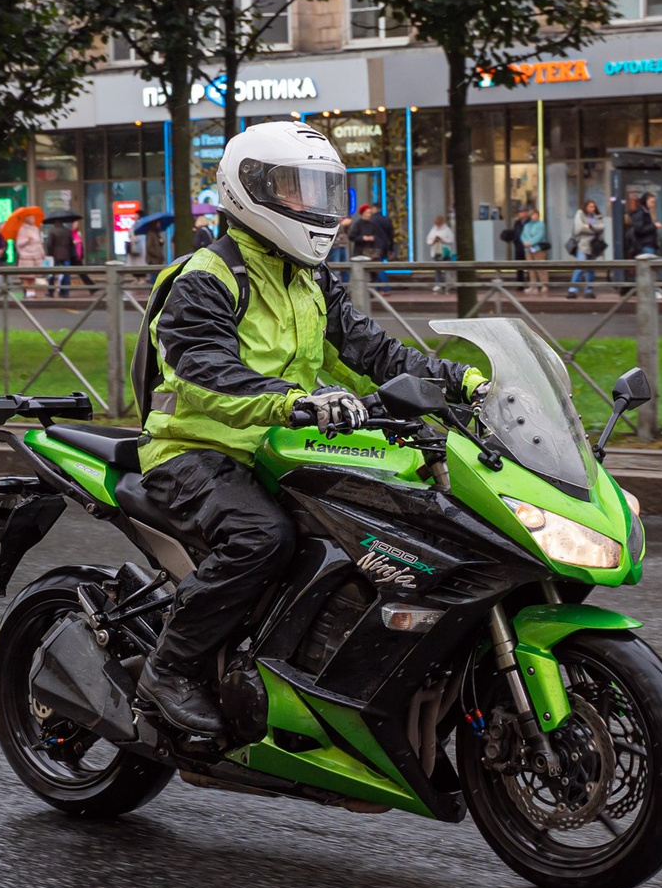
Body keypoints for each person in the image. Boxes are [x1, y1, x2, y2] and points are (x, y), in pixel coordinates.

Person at [135, 121, 488, 752]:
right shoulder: (205, 277)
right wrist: (297, 404)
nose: (315, 208)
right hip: (195, 448)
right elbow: (203, 372)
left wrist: (462, 381)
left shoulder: (310, 280)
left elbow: (373, 355)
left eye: (324, 191)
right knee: (260, 537)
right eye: (297, 191)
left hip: (282, 449)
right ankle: (171, 669)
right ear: (250, 191)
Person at [566, 198, 607, 296]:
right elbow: (579, 228)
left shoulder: (598, 216)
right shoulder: (580, 214)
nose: (592, 208)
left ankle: (589, 290)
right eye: (590, 206)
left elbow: (602, 227)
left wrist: (589, 227)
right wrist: (594, 229)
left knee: (590, 269)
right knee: (580, 266)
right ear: (586, 207)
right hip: (582, 245)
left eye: (593, 206)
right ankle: (572, 289)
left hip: (593, 245)